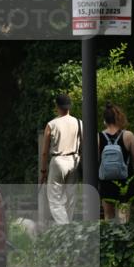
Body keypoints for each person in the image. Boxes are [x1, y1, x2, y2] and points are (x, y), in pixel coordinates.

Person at [98, 101, 134, 222]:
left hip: (106, 182)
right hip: (125, 181)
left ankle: (110, 234)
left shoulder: (98, 137)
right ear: (118, 118)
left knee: (108, 217)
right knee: (123, 219)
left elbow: (95, 161)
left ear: (105, 120)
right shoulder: (128, 135)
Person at [40, 93, 82, 224]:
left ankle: (65, 227)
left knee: (55, 199)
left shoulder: (52, 124)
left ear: (57, 106)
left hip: (58, 161)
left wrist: (43, 171)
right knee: (71, 198)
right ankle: (69, 226)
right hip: (74, 160)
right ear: (70, 106)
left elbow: (44, 152)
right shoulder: (79, 123)